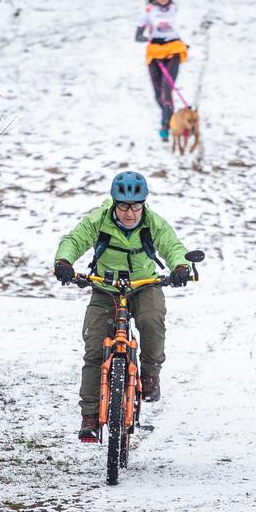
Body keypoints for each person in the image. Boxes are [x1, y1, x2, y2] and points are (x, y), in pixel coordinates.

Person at [53, 171, 192, 442]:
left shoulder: (153, 223)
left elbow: (172, 246)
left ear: (143, 204)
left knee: (152, 319)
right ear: (114, 203)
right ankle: (91, 417)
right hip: (105, 288)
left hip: (144, 284)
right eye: (124, 206)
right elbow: (74, 240)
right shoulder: (100, 220)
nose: (130, 213)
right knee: (94, 347)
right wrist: (64, 262)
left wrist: (180, 266)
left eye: (136, 206)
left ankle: (150, 373)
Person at [135, 0, 188, 141]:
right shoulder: (149, 10)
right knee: (158, 94)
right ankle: (172, 119)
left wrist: (183, 43)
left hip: (173, 50)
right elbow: (139, 32)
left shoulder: (173, 8)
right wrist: (140, 36)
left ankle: (166, 126)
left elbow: (172, 28)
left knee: (167, 91)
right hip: (155, 52)